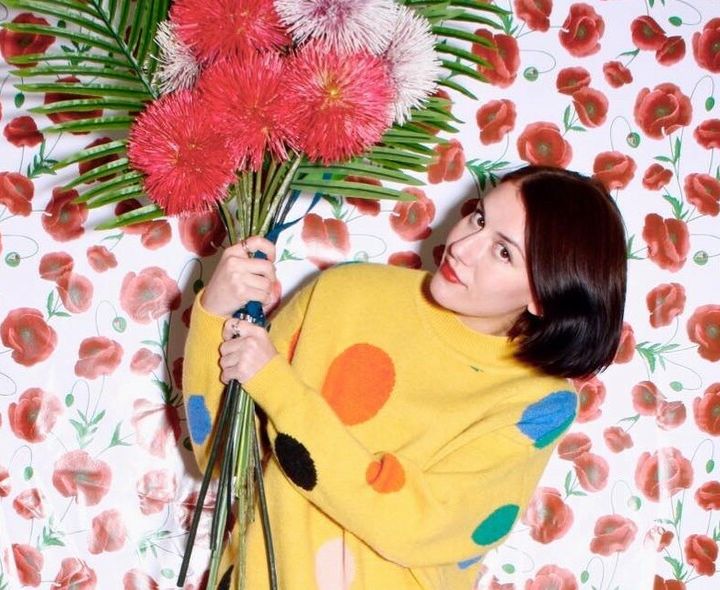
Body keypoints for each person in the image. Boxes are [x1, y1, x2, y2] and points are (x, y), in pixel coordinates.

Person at [183, 164, 628, 590]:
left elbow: (413, 527)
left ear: (542, 296)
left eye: (503, 251)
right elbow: (228, 460)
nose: (462, 246)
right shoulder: (347, 293)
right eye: (478, 218)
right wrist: (215, 312)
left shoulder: (538, 403)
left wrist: (279, 387)